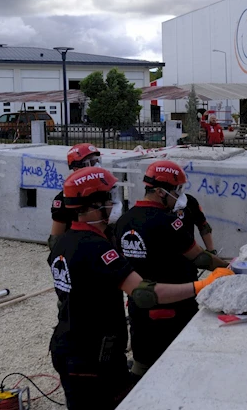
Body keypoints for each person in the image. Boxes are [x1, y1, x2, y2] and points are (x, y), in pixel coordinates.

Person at [49, 166, 233, 410]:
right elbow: (145, 293)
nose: (112, 204)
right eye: (107, 199)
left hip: (68, 345)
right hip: (93, 355)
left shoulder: (61, 243)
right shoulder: (97, 248)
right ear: (92, 204)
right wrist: (202, 285)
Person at [113, 160, 229, 378]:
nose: (180, 195)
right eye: (176, 190)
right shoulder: (168, 222)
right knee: (180, 366)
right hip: (177, 303)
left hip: (140, 307)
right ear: (160, 191)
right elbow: (200, 259)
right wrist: (228, 267)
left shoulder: (123, 221)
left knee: (143, 365)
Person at [48, 143, 101, 250]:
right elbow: (55, 240)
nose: (97, 166)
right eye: (91, 162)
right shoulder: (64, 198)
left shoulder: (103, 190)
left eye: (97, 161)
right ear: (76, 168)